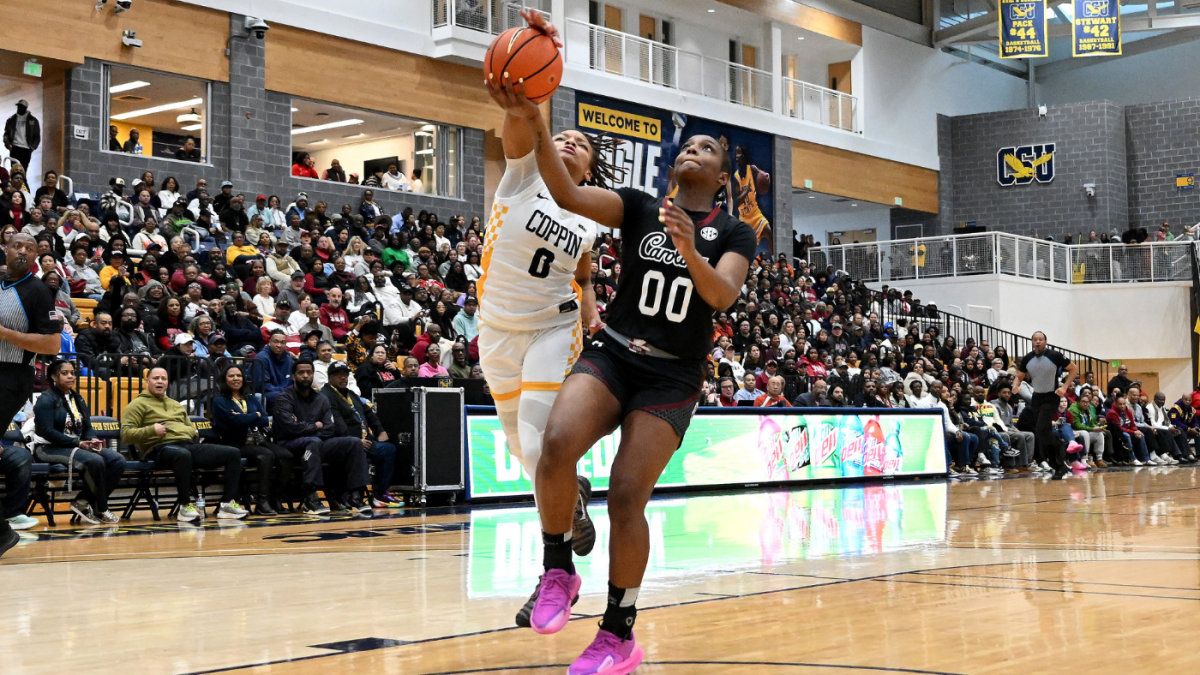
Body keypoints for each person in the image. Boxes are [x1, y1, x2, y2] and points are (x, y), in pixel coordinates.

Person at [489, 16, 757, 669]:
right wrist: (535, 111)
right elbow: (566, 190)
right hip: (613, 351)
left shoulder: (736, 233)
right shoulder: (639, 205)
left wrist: (691, 248)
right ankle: (559, 570)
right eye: (686, 147)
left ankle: (618, 631)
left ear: (720, 177)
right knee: (554, 447)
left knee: (626, 492)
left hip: (671, 377)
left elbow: (721, 296)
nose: (692, 152)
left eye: (706, 150)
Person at [479, 51, 609, 609]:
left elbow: (582, 277)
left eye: (582, 141)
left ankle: (553, 567)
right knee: (520, 451)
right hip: (496, 330)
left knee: (538, 443)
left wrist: (590, 309)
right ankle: (572, 493)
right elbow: (518, 129)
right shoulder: (523, 173)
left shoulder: (591, 213)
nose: (568, 141)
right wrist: (526, 101)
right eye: (561, 135)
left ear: (590, 166)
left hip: (551, 331)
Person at [121, 367, 249, 522]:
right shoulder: (136, 405)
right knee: (182, 455)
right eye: (156, 378)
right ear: (146, 381)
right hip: (160, 449)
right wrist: (151, 430)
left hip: (187, 445)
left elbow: (190, 427)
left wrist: (191, 432)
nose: (160, 381)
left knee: (232, 453)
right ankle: (184, 506)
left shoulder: (175, 404)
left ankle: (227, 504)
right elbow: (126, 435)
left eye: (163, 378)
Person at [0, 233, 62, 550]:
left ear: (36, 255)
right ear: (5, 248)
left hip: (12, 375)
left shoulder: (38, 292)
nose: (23, 251)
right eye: (17, 245)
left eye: (30, 248)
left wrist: (4, 333)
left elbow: (52, 344)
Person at [32, 359, 126, 524]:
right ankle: (102, 508)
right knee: (94, 460)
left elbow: (87, 426)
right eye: (64, 373)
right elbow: (46, 432)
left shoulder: (77, 398)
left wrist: (93, 439)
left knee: (117, 460)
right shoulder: (46, 400)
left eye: (72, 373)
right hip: (48, 448)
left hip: (77, 445)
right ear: (54, 377)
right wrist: (77, 443)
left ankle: (82, 501)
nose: (70, 376)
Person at [272, 359, 370, 515]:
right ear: (293, 376)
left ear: (313, 375)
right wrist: (315, 426)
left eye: (309, 372)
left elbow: (330, 428)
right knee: (314, 441)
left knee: (353, 442)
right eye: (301, 373)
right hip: (288, 444)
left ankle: (355, 495)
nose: (305, 376)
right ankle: (311, 497)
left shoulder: (321, 398)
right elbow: (289, 428)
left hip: (317, 443)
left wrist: (305, 427)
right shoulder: (284, 398)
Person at [212, 364, 295, 515]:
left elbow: (263, 419)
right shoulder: (220, 401)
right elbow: (233, 421)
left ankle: (275, 498)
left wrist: (245, 417)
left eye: (239, 375)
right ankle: (261, 502)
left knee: (286, 456)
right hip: (235, 444)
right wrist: (253, 416)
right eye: (231, 376)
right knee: (265, 455)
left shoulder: (250, 398)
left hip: (257, 440)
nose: (236, 378)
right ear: (224, 379)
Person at [321, 361, 404, 508]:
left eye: (345, 375)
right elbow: (337, 424)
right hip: (343, 443)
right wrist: (355, 441)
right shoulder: (326, 395)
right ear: (330, 378)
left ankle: (381, 492)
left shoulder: (350, 393)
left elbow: (369, 413)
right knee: (359, 453)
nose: (343, 378)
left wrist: (380, 431)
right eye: (338, 375)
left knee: (389, 449)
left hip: (366, 440)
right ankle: (348, 493)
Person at [1013, 332, 1077, 479]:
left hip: (1051, 396)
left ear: (1045, 341)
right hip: (1036, 397)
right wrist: (1015, 386)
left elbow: (1074, 369)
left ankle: (1060, 449)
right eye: (1035, 340)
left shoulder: (1055, 355)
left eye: (1040, 339)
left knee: (1042, 430)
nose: (1037, 342)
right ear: (1032, 342)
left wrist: (1065, 387)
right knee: (1042, 434)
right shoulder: (1028, 358)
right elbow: (1020, 376)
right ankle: (1058, 466)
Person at [256, 329, 295, 412]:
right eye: (276, 342)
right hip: (267, 394)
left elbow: (293, 382)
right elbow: (262, 386)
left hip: (285, 393)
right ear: (269, 342)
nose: (279, 345)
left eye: (282, 342)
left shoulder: (289, 359)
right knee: (281, 397)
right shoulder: (262, 358)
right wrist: (285, 391)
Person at [3, 99, 40, 171]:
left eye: (21, 107)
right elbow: (6, 133)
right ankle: (14, 181)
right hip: (15, 147)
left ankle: (23, 182)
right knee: (14, 169)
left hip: (26, 148)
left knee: (23, 169)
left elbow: (36, 136)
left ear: (25, 108)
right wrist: (7, 142)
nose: (19, 108)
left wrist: (32, 147)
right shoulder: (11, 120)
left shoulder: (33, 120)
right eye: (18, 106)